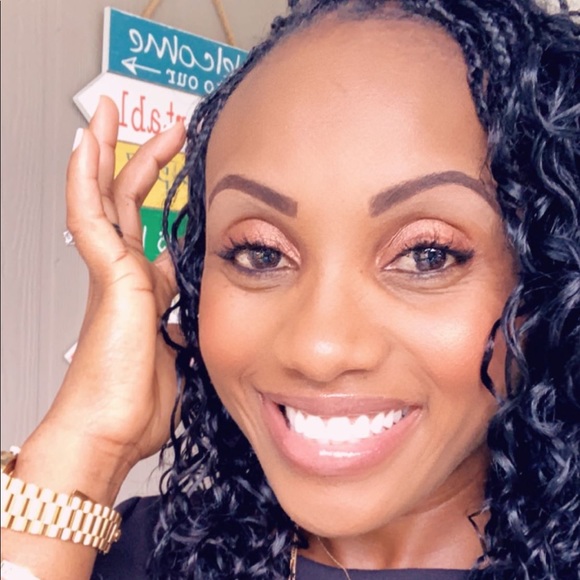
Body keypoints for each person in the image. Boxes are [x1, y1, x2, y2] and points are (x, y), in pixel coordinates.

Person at [1, 0, 578, 578]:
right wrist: (88, 445)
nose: (318, 350)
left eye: (426, 255)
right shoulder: (117, 552)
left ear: (548, 278)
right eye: (262, 252)